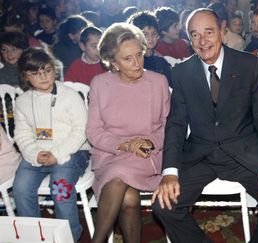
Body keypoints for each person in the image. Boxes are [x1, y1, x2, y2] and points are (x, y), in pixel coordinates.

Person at [151, 8, 258, 243]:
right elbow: (176, 124)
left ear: (222, 31)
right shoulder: (181, 72)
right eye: (194, 35)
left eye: (208, 32)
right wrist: (170, 172)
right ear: (188, 39)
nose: (202, 41)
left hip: (243, 153)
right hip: (200, 156)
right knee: (162, 205)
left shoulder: (249, 65)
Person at [86, 23, 170, 243]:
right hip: (110, 153)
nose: (137, 63)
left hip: (147, 153)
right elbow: (93, 132)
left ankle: (98, 240)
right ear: (113, 62)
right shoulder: (100, 84)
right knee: (129, 199)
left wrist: (148, 143)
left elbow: (168, 124)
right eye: (127, 58)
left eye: (139, 55)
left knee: (119, 173)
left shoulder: (158, 82)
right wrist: (124, 145)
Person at [12, 48, 90, 242]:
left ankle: (69, 236)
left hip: (72, 151)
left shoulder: (70, 96)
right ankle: (35, 236)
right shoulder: (22, 102)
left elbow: (81, 131)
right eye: (35, 73)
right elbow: (21, 134)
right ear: (25, 76)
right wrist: (34, 154)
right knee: (20, 188)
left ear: (54, 69)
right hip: (37, 153)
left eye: (47, 70)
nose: (43, 76)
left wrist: (57, 154)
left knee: (59, 189)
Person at [128, 10, 173, 86]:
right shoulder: (130, 63)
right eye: (145, 34)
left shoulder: (161, 62)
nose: (150, 38)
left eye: (154, 34)